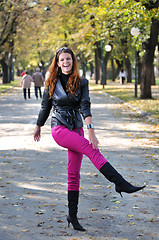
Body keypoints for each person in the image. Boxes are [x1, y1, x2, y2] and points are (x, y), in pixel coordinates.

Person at [34, 47, 145, 231]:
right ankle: (119, 182)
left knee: (74, 173)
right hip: (59, 127)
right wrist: (38, 125)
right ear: (57, 62)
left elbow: (85, 105)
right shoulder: (51, 82)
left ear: (73, 61)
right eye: (62, 60)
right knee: (90, 149)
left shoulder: (82, 82)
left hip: (77, 128)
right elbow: (45, 107)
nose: (65, 62)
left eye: (68, 59)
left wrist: (91, 130)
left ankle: (72, 216)